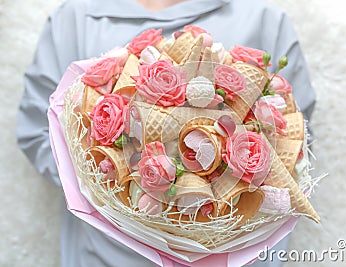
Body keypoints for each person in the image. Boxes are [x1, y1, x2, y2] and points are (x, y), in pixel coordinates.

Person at [17, 0, 316, 266]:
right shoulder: (75, 18)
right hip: (105, 253)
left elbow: (296, 136)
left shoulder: (263, 18)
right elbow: (37, 131)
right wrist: (108, 194)